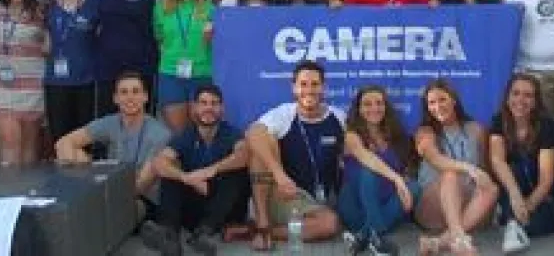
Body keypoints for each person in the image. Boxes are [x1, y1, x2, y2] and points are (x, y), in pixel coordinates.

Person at [245, 61, 344, 250]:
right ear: (294, 87)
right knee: (262, 145)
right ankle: (263, 224)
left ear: (323, 87)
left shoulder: (338, 117)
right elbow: (253, 133)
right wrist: (279, 175)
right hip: (285, 193)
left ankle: (259, 231)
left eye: (315, 84)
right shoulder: (284, 113)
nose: (309, 90)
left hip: (317, 198)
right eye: (303, 84)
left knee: (330, 224)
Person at [141, 84, 251, 256]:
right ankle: (168, 234)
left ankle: (204, 233)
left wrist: (211, 170)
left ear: (222, 109)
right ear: (195, 108)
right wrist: (186, 178)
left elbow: (244, 155)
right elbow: (160, 162)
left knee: (235, 173)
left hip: (224, 211)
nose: (209, 108)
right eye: (204, 103)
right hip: (194, 206)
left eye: (214, 103)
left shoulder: (231, 133)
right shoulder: (187, 134)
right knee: (171, 172)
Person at [55, 72, 171, 228]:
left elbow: (140, 187)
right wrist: (85, 173)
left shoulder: (159, 133)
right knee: (74, 154)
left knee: (119, 210)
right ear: (115, 99)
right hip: (111, 190)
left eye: (135, 92)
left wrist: (99, 191)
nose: (130, 98)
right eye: (124, 92)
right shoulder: (111, 122)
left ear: (146, 97)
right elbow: (63, 143)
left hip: (143, 199)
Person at [414, 79, 498, 255]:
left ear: (454, 100)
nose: (437, 106)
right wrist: (470, 169)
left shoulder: (476, 129)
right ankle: (459, 238)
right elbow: (436, 160)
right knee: (450, 175)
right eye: (432, 102)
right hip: (433, 206)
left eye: (442, 99)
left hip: (468, 208)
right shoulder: (424, 132)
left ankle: (438, 242)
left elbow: (484, 168)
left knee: (491, 187)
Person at [489, 74, 554, 254]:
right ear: (508, 97)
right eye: (515, 93)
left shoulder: (549, 126)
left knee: (538, 224)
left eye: (528, 95)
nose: (520, 100)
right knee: (513, 169)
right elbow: (497, 160)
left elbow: (547, 179)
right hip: (516, 189)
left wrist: (528, 207)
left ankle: (511, 223)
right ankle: (512, 224)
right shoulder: (499, 121)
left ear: (536, 101)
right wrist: (516, 196)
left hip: (546, 194)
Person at [338, 85, 419, 255]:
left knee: (414, 187)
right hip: (355, 205)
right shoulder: (351, 136)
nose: (374, 108)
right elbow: (366, 158)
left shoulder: (397, 137)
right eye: (367, 104)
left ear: (385, 107)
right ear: (358, 109)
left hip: (385, 205)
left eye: (379, 103)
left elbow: (407, 171)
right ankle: (376, 234)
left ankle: (366, 236)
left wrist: (404, 182)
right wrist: (397, 179)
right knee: (370, 171)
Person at [80, 0, 158, 115]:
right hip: (107, 70)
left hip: (142, 70)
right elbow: (76, 2)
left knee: (140, 124)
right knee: (106, 124)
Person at [0, 0, 47, 166]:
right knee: (9, 143)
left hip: (32, 87)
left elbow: (50, 46)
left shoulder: (40, 15)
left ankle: (25, 194)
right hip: (0, 86)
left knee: (29, 147)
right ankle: (7, 194)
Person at [155, 0, 215, 132]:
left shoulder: (209, 6)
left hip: (203, 74)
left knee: (204, 131)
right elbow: (158, 38)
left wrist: (210, 38)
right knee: (179, 135)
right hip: (171, 75)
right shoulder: (160, 7)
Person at [44, 0, 96, 145]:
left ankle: (83, 175)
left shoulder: (95, 5)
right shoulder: (48, 5)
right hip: (56, 82)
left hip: (86, 82)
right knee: (60, 139)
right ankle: (62, 175)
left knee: (84, 141)